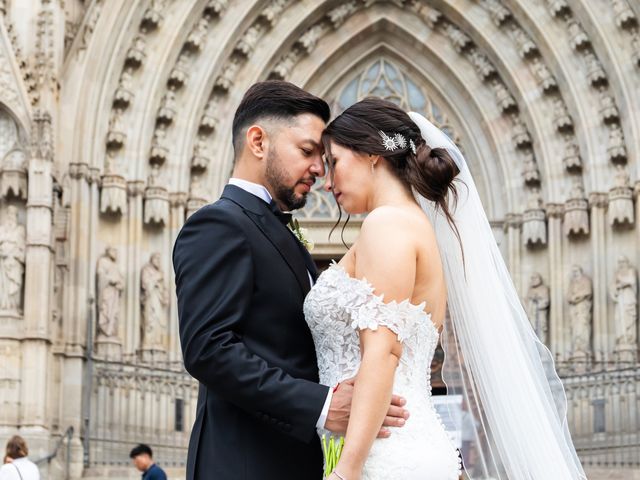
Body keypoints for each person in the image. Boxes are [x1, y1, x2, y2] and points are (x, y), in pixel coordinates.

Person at [304, 98, 587, 479]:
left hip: (381, 455)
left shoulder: (386, 225)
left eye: (334, 162)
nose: (326, 181)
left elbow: (384, 352)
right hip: (405, 445)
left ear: (372, 154)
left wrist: (347, 471)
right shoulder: (414, 225)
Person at [172, 81, 408, 480]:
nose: (320, 169)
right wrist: (321, 405)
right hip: (245, 464)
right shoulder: (218, 224)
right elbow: (208, 349)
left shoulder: (280, 231)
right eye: (307, 151)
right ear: (258, 141)